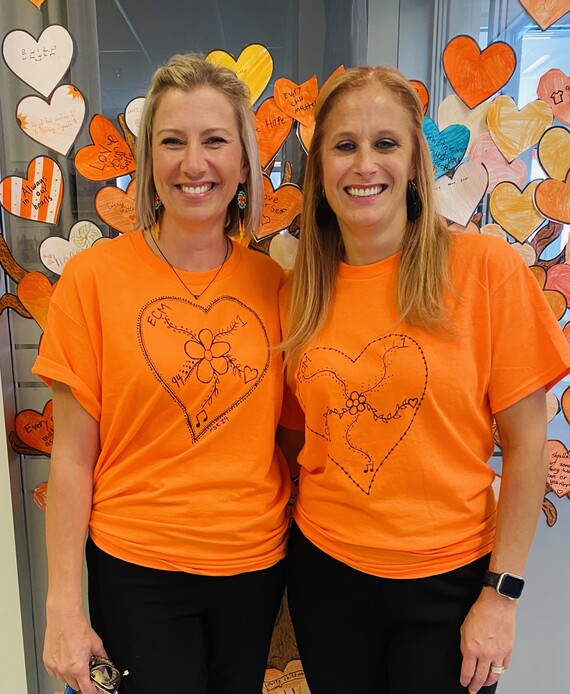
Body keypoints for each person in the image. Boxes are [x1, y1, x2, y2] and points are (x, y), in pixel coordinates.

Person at [282, 65, 570, 694]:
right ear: (321, 169)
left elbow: (525, 449)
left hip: (453, 584)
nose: (365, 165)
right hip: (328, 576)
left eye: (385, 144)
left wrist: (503, 595)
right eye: (344, 145)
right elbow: (295, 438)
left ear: (415, 163)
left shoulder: (485, 269)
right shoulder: (300, 292)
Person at [33, 53, 295, 694]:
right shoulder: (92, 282)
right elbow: (70, 459)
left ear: (242, 162)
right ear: (149, 159)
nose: (193, 163)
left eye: (214, 141)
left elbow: (291, 435)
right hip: (136, 568)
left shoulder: (278, 287)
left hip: (254, 569)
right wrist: (63, 606)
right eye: (171, 142)